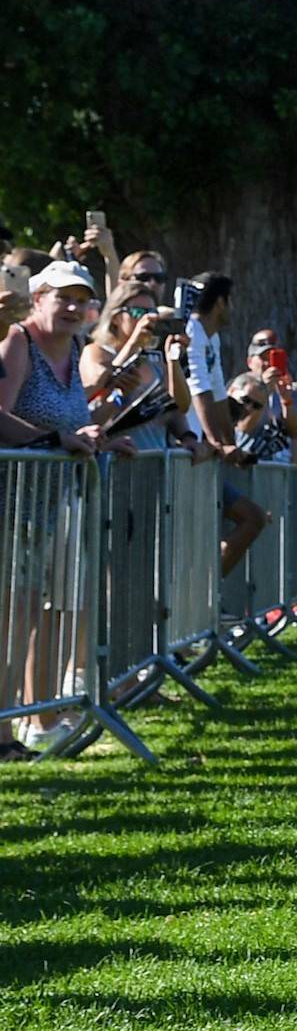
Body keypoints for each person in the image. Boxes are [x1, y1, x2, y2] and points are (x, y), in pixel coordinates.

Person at [0, 263, 134, 757]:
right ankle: (2, 734)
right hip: (14, 499)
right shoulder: (18, 341)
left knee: (50, 613)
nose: (73, 307)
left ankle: (40, 719)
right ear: (37, 298)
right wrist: (54, 439)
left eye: (82, 298)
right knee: (14, 617)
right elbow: (3, 415)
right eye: (63, 297)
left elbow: (71, 417)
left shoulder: (73, 348)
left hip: (57, 498)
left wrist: (98, 435)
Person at [179, 271, 269, 576]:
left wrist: (231, 444)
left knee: (252, 518)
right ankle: (195, 597)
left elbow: (218, 394)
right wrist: (220, 444)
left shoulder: (211, 337)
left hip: (205, 452)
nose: (232, 309)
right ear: (220, 302)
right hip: (185, 449)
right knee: (187, 539)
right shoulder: (190, 331)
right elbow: (199, 390)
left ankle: (204, 593)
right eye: (230, 301)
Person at [81, 279, 192, 453]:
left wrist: (173, 360)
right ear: (116, 318)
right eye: (138, 312)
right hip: (112, 459)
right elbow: (98, 391)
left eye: (152, 313)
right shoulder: (96, 351)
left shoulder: (153, 360)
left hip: (152, 461)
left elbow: (180, 405)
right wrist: (133, 343)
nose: (145, 319)